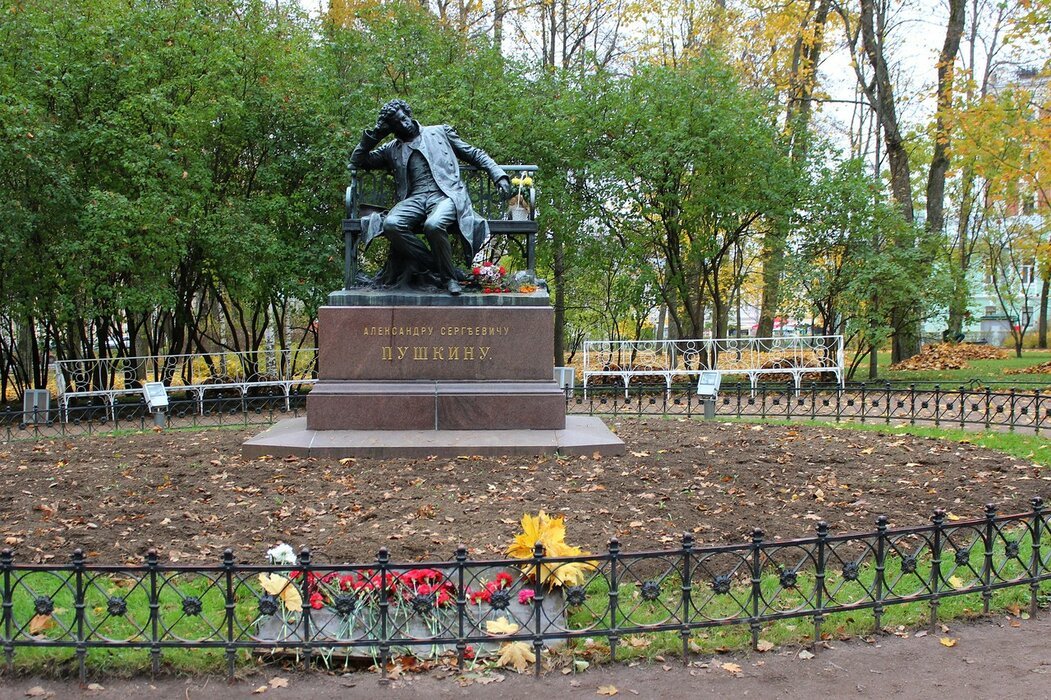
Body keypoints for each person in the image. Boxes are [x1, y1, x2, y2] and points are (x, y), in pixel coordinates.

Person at [350, 99, 511, 295]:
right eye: (396, 123)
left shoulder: (440, 132)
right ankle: (442, 267)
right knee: (391, 224)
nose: (404, 124)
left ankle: (449, 278)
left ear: (408, 114)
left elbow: (474, 153)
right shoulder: (391, 148)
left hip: (445, 195)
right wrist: (375, 134)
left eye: (404, 118)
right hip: (414, 199)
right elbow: (358, 160)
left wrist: (498, 174)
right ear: (391, 128)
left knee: (433, 225)